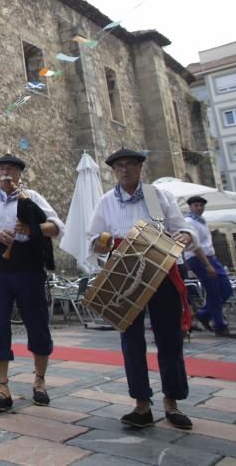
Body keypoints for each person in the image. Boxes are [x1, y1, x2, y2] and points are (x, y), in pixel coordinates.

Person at [87, 148, 196, 430]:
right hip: (124, 271)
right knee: (131, 340)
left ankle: (172, 402)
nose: (125, 170)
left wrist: (185, 235)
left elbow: (182, 229)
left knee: (169, 338)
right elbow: (94, 238)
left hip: (160, 267)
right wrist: (100, 243)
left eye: (130, 165)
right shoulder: (106, 200)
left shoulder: (157, 196)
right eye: (119, 166)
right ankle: (141, 404)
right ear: (113, 171)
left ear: (140, 167)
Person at [0, 153, 64, 411]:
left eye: (11, 168)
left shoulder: (32, 198)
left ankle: (40, 381)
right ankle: (2, 388)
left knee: (38, 325)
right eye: (1, 168)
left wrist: (34, 228)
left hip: (30, 268)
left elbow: (56, 227)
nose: (6, 172)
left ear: (20, 174)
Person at [184, 196, 236, 338]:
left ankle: (203, 314)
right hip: (199, 259)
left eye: (201, 205)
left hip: (212, 258)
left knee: (226, 290)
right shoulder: (189, 222)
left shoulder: (202, 222)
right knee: (213, 293)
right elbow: (195, 245)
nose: (199, 208)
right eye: (196, 205)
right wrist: (207, 265)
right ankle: (220, 326)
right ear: (190, 207)